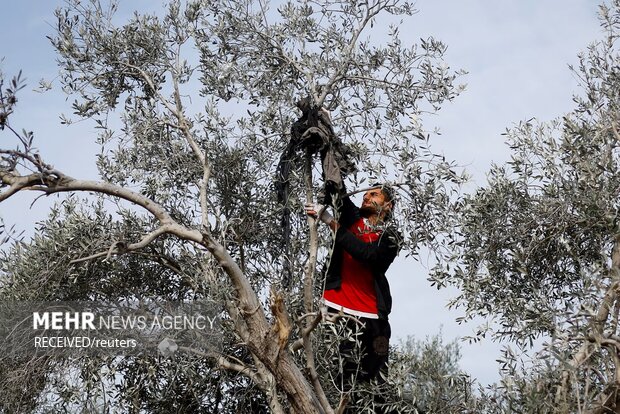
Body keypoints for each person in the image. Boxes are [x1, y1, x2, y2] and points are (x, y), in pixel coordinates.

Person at [305, 184, 401, 385]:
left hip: (373, 321)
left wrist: (330, 221)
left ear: (388, 206)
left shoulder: (391, 237)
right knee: (338, 379)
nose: (366, 197)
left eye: (374, 195)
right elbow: (335, 184)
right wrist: (329, 152)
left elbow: (369, 255)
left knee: (375, 387)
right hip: (337, 313)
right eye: (365, 194)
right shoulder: (351, 219)